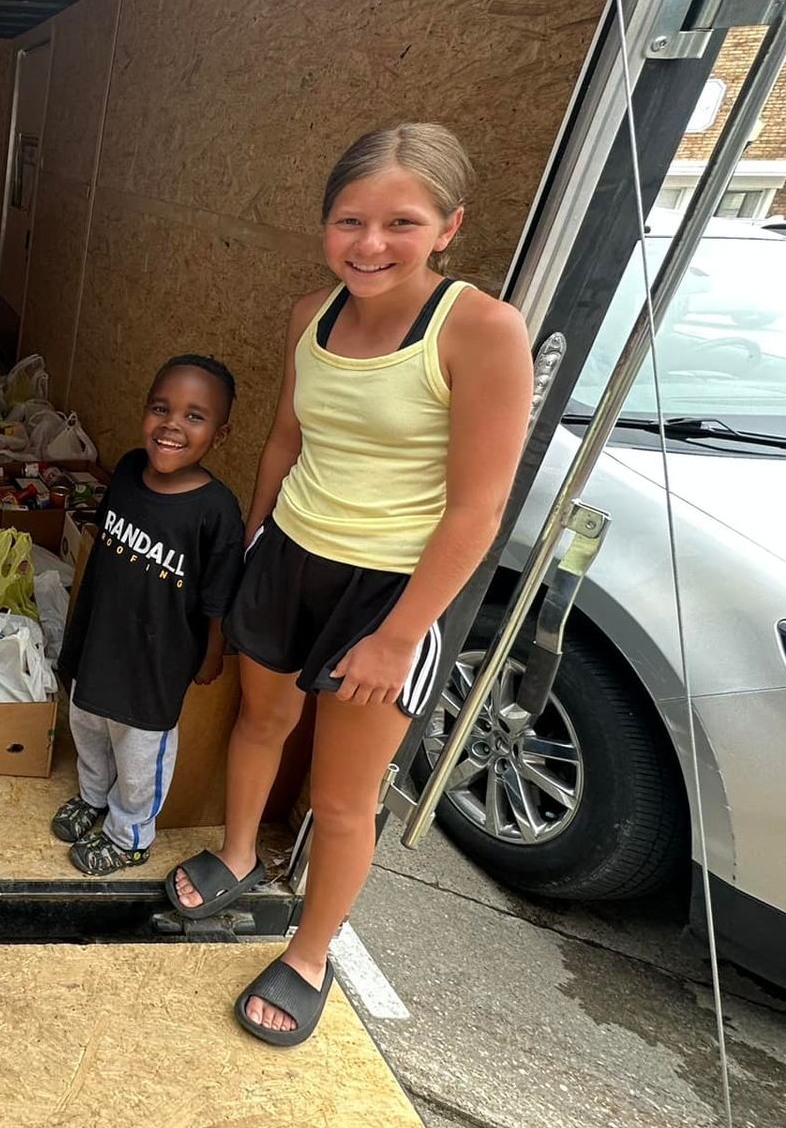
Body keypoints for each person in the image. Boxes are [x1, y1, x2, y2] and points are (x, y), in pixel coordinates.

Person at [166, 124, 531, 1047]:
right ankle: (240, 853)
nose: (370, 244)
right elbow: (287, 442)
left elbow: (477, 512)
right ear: (326, 226)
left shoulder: (482, 329)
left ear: (450, 227)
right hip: (290, 557)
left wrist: (402, 635)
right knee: (260, 722)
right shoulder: (310, 316)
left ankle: (310, 953)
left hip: (390, 593)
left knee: (342, 798)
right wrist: (253, 541)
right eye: (349, 221)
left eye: (400, 222)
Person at [54, 356, 246, 875]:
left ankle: (130, 833)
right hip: (101, 640)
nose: (172, 426)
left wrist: (212, 651)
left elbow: (218, 594)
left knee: (139, 754)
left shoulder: (217, 510)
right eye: (162, 408)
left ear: (220, 435)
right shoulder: (127, 472)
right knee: (87, 723)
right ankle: (94, 796)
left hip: (157, 661)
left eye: (194, 416)